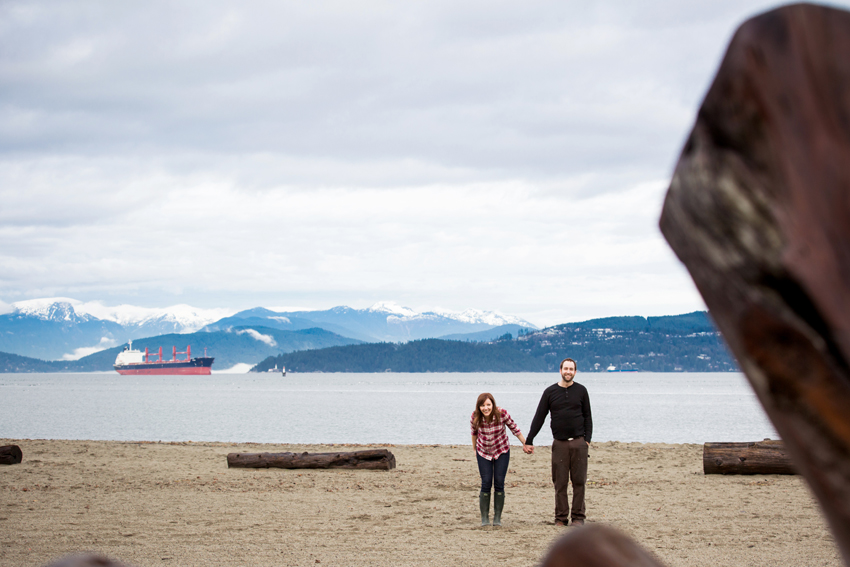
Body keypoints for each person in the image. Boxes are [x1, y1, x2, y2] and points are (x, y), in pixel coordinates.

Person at [523, 357, 592, 526]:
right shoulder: (550, 392)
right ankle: (561, 518)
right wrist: (529, 439)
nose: (568, 372)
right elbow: (539, 417)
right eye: (565, 368)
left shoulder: (582, 391)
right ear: (560, 370)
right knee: (560, 483)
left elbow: (588, 416)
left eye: (571, 369)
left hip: (579, 442)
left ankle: (578, 517)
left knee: (579, 482)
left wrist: (587, 440)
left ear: (575, 372)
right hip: (559, 444)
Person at [471, 392, 528, 526]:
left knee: (499, 481)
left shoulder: (501, 413)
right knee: (486, 482)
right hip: (483, 451)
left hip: (501, 450)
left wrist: (525, 443)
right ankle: (485, 518)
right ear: (479, 407)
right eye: (483, 405)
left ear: (493, 405)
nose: (486, 408)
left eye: (488, 405)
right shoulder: (475, 417)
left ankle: (497, 518)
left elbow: (514, 428)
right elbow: (474, 433)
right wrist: (474, 449)